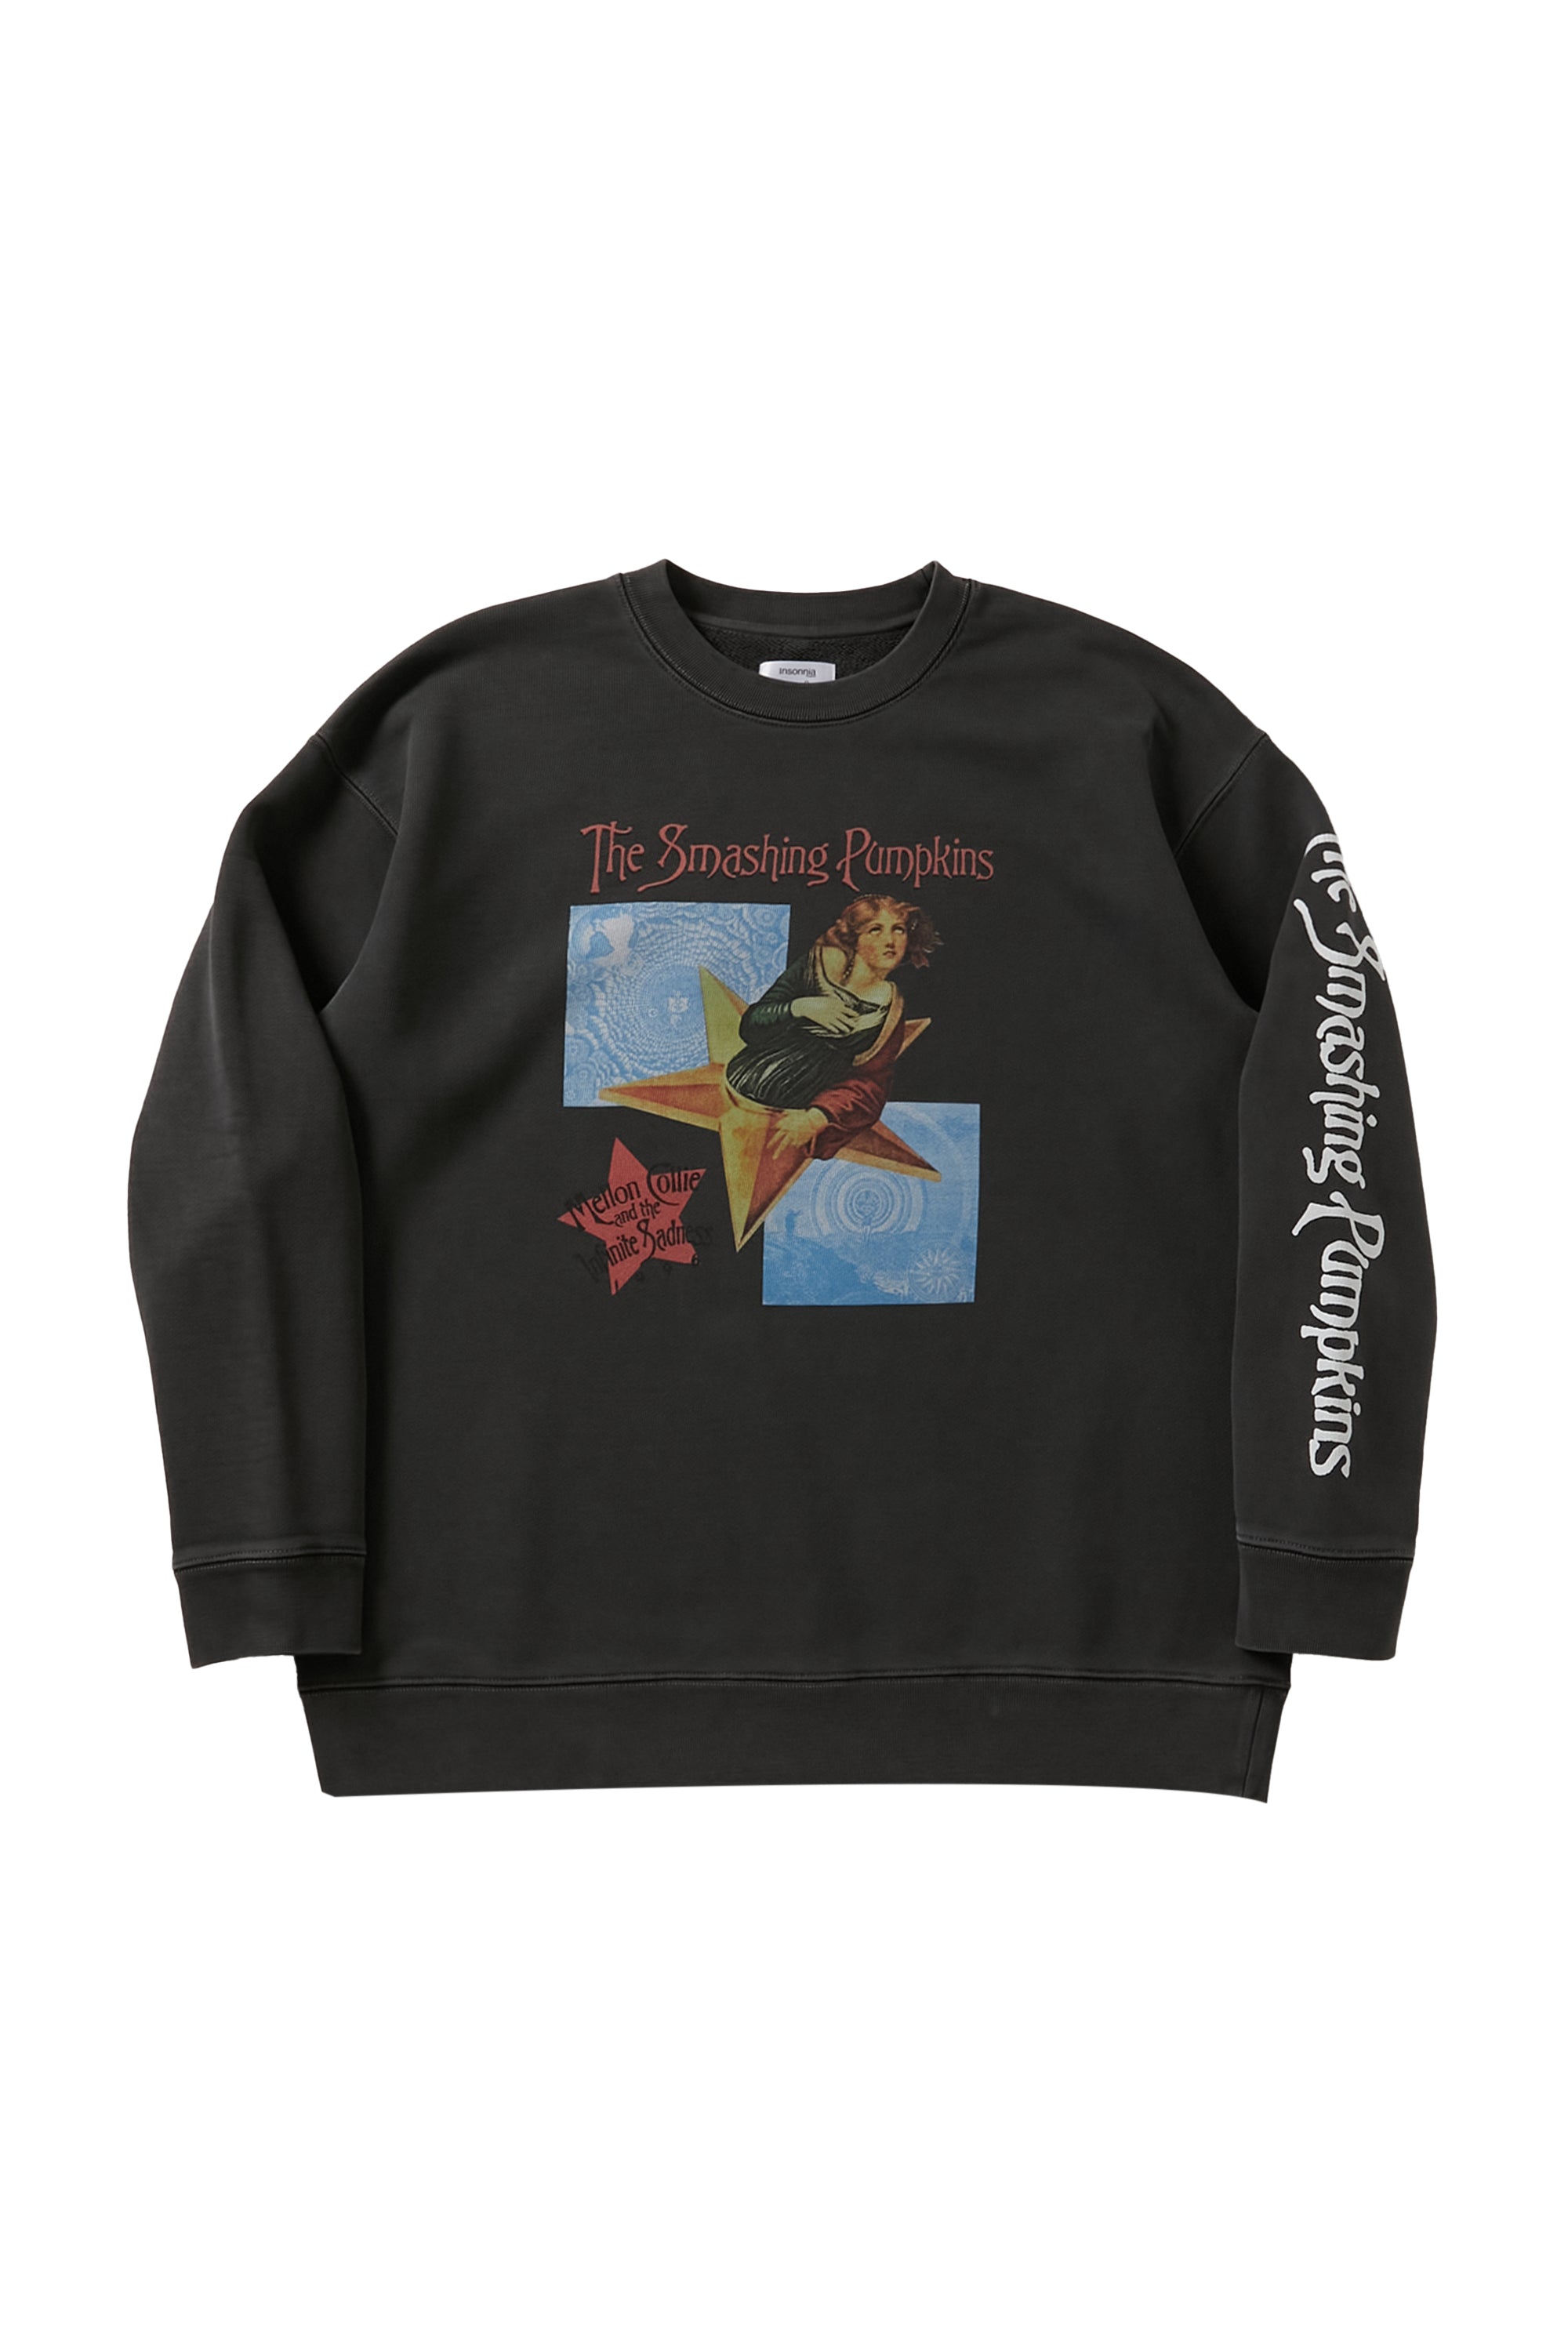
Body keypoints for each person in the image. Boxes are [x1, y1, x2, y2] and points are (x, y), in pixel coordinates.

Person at [724, 895, 941, 1160]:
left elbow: (871, 1084)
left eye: (899, 930)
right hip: (731, 1092)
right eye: (876, 929)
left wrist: (818, 1117)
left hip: (791, 1121)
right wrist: (801, 1008)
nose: (890, 941)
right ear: (854, 938)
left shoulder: (891, 1009)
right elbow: (751, 1026)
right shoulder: (815, 967)